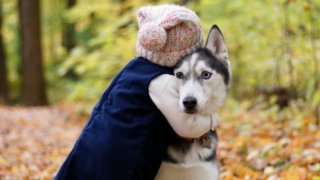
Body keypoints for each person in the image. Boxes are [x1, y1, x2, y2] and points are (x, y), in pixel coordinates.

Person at [54, 4, 218, 180]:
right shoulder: (163, 81)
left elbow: (100, 105)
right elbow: (188, 127)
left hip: (94, 143)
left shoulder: (132, 68)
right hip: (124, 156)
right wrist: (212, 119)